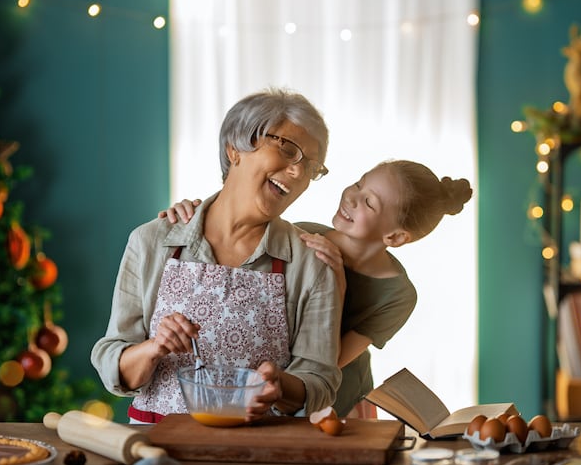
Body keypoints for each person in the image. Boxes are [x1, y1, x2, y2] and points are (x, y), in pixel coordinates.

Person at [91, 87, 343, 424]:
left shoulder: (311, 263)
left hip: (259, 451)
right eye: (287, 149)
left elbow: (320, 381)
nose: (298, 173)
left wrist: (279, 385)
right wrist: (154, 348)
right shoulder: (152, 241)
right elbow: (113, 361)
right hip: (155, 450)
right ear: (235, 149)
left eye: (310, 166)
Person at [162, 159, 473, 417]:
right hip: (273, 389)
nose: (351, 197)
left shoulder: (398, 295)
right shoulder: (301, 237)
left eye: (369, 202)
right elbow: (229, 256)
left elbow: (329, 362)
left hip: (339, 405)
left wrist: (335, 284)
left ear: (395, 237)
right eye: (359, 183)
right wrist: (195, 215)